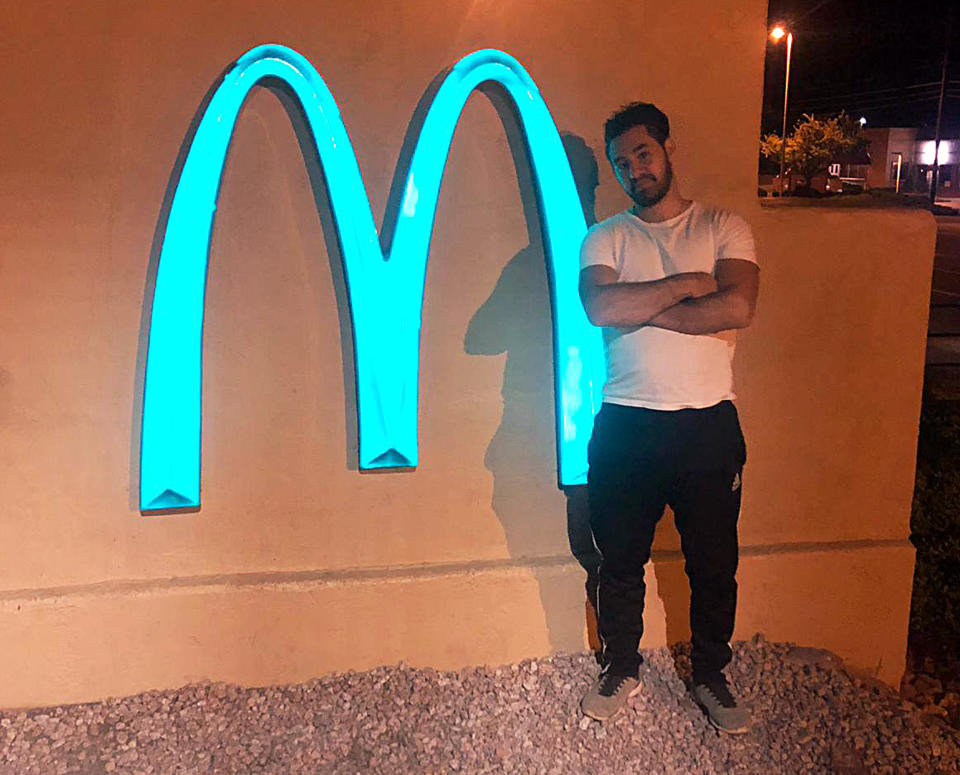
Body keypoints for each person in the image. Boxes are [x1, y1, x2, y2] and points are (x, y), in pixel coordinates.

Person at [577, 102, 759, 733]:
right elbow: (599, 308)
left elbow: (737, 305)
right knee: (618, 559)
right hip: (625, 424)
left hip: (707, 425)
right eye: (621, 163)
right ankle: (621, 666)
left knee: (714, 561)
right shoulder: (605, 237)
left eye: (643, 154)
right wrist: (686, 284)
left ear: (668, 148)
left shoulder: (722, 225)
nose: (634, 170)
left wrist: (642, 306)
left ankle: (711, 675)